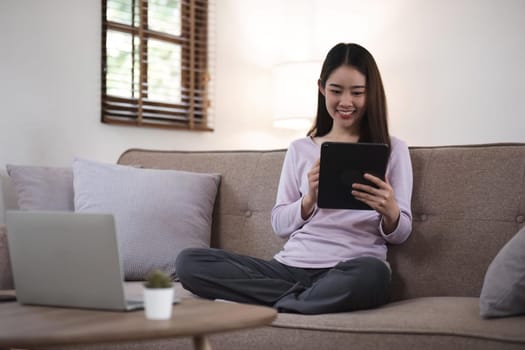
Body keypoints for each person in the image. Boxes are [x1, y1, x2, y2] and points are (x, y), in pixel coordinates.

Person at [175, 43, 413, 314]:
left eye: (357, 92)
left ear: (371, 93)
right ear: (321, 88)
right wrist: (308, 200)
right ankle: (303, 300)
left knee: (375, 274)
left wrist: (390, 210)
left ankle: (279, 301)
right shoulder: (300, 149)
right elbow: (279, 224)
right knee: (189, 262)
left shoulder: (393, 149)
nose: (346, 102)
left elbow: (402, 232)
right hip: (290, 268)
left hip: (351, 269)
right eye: (336, 91)